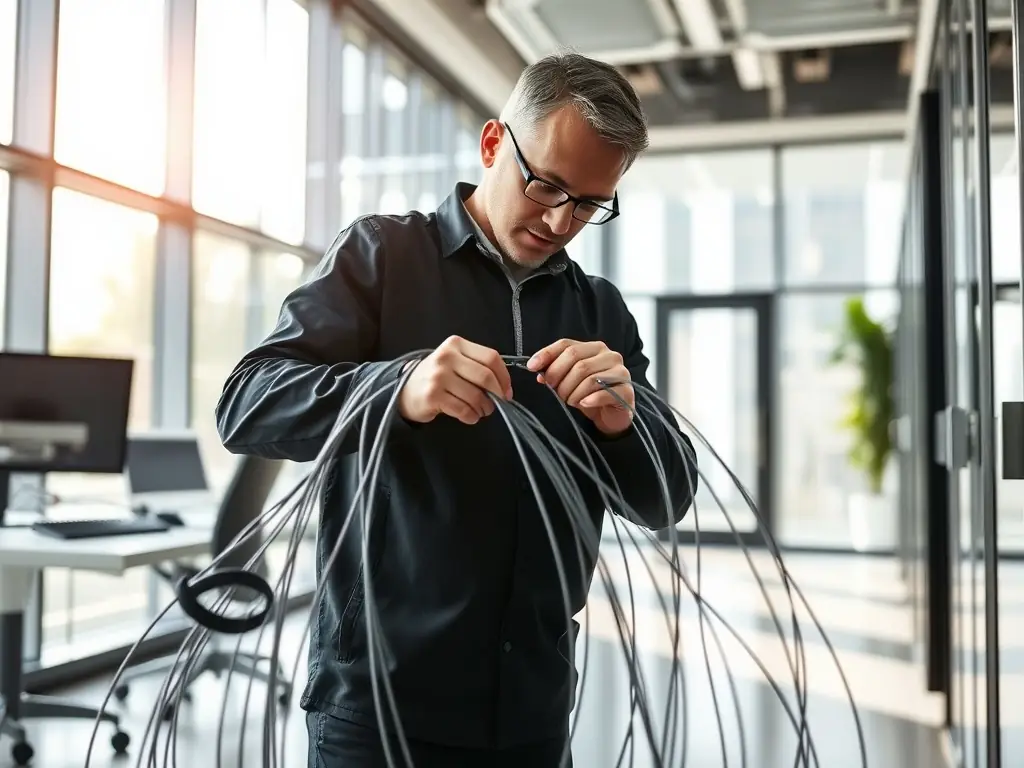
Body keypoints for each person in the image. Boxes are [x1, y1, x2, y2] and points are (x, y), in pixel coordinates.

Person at [215, 52, 697, 768]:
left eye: (590, 204)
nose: (562, 220)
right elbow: (247, 402)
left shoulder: (599, 311)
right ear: (495, 144)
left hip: (530, 706)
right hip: (378, 706)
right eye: (548, 185)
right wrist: (397, 388)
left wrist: (625, 423)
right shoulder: (381, 257)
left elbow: (667, 497)